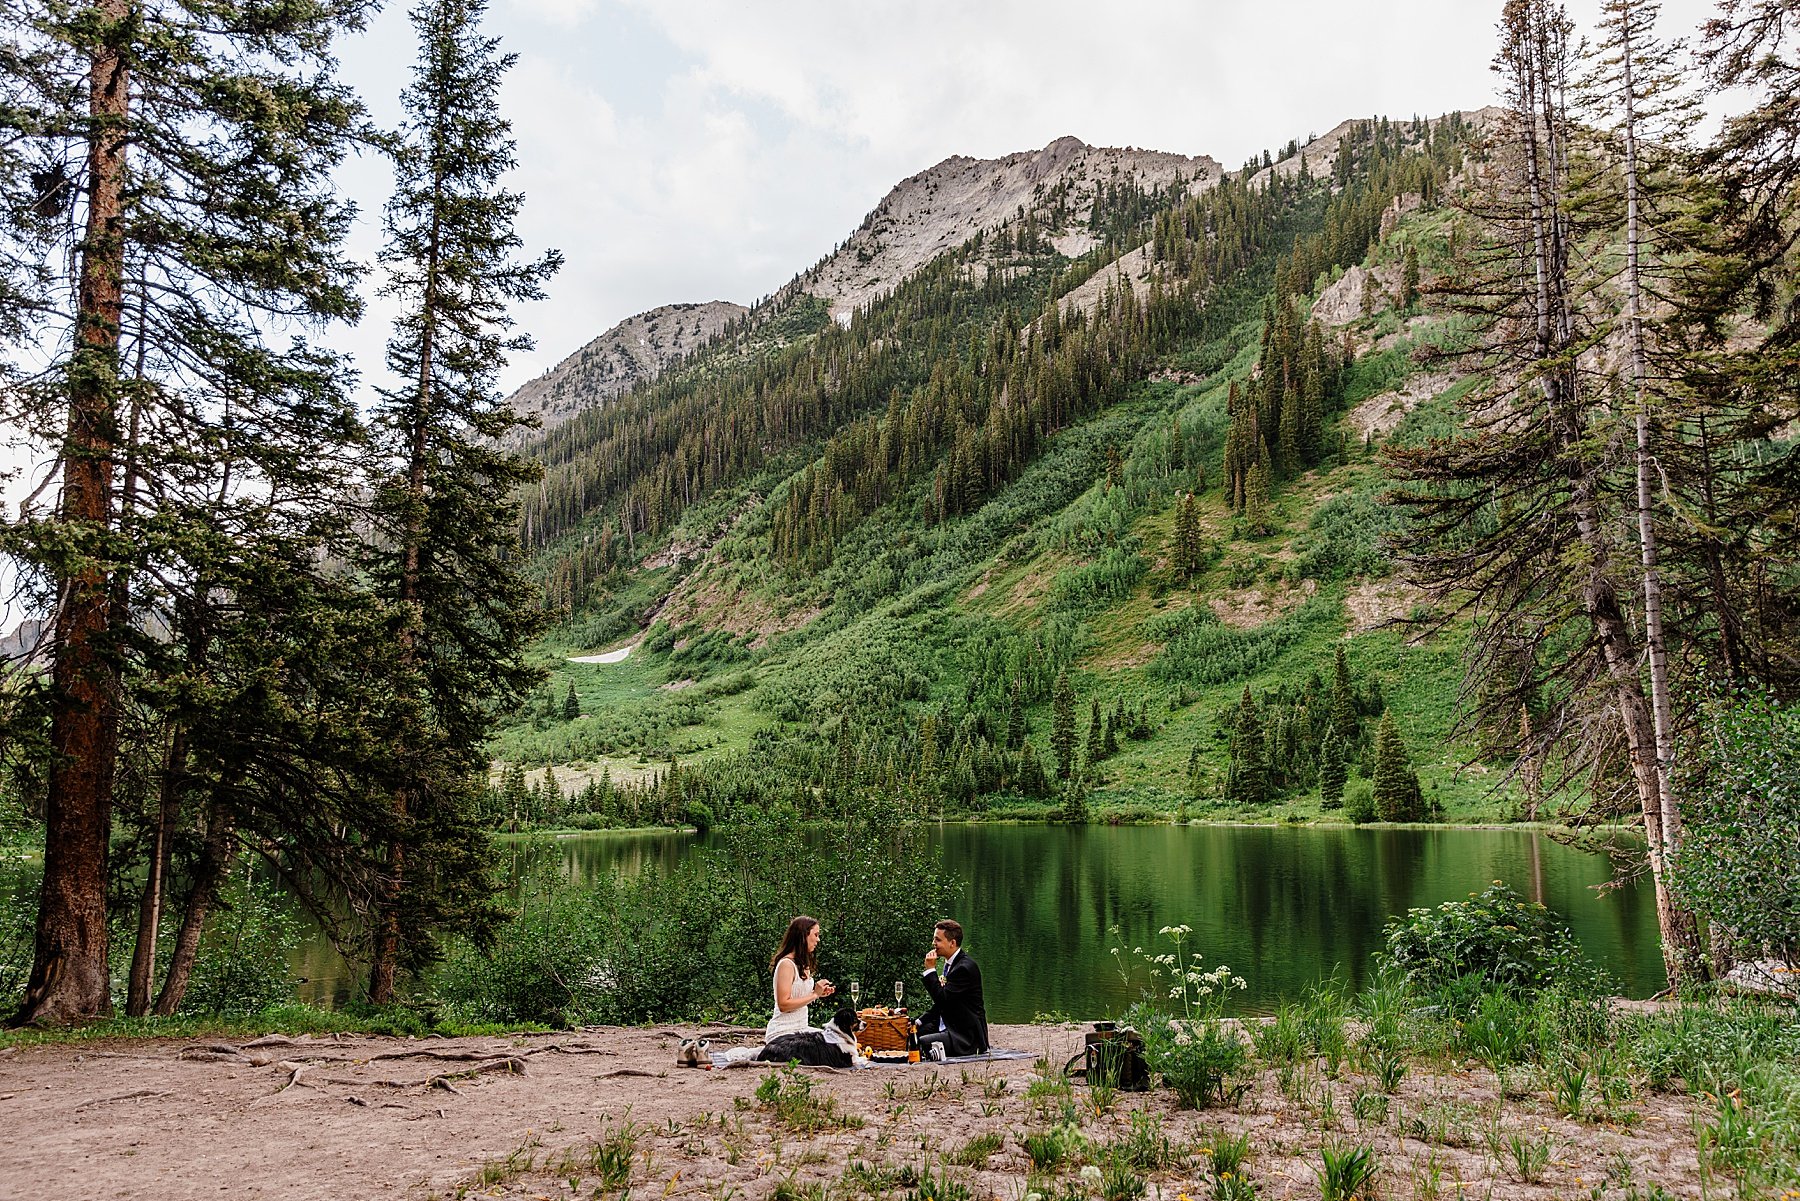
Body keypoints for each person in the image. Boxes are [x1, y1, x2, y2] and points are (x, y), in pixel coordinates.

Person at [915, 918, 988, 1060]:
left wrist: (930, 971)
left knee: (922, 1042)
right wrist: (918, 1021)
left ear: (952, 943)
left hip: (966, 1035)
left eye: (938, 940)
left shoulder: (964, 968)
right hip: (950, 1025)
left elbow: (942, 999)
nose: (933, 944)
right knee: (913, 1034)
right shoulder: (952, 964)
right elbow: (944, 1004)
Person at [766, 915, 836, 1042]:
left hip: (801, 1029)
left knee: (835, 1040)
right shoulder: (786, 964)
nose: (818, 939)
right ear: (804, 936)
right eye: (815, 935)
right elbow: (783, 1004)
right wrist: (814, 995)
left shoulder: (803, 965)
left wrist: (818, 993)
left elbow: (797, 997)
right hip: (783, 1032)